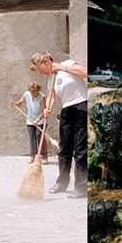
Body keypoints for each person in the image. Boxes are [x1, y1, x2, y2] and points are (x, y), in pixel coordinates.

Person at [29, 52, 88, 199]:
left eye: (40, 68)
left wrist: (62, 67)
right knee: (64, 150)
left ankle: (81, 187)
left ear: (47, 61)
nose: (40, 73)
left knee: (80, 150)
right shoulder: (51, 80)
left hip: (81, 106)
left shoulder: (68, 64)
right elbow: (50, 98)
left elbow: (85, 73)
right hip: (66, 110)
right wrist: (46, 109)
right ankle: (61, 183)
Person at [10, 82, 48, 164]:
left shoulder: (42, 97)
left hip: (40, 120)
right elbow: (20, 103)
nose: (34, 94)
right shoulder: (26, 94)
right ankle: (33, 156)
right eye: (32, 92)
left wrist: (37, 120)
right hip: (30, 120)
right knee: (32, 138)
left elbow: (44, 110)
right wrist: (15, 104)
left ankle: (44, 156)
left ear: (38, 91)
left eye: (35, 92)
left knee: (39, 137)